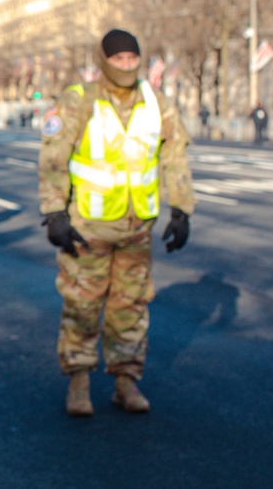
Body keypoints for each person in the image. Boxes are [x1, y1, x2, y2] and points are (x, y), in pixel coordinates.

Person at [37, 28, 195, 417]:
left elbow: (175, 157)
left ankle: (126, 382)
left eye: (131, 58)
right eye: (118, 59)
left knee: (132, 307)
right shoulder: (79, 100)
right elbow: (54, 158)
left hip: (136, 226)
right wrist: (54, 213)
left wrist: (181, 209)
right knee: (82, 306)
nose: (126, 65)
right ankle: (79, 382)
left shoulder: (157, 103)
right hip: (87, 226)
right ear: (104, 61)